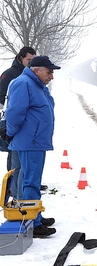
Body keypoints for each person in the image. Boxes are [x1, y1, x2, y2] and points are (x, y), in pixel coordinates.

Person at [6, 55, 61, 237]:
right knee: (30, 182)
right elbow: (14, 113)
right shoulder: (23, 83)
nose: (51, 76)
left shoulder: (37, 85)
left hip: (35, 141)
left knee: (32, 181)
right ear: (36, 70)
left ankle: (35, 214)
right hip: (30, 141)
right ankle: (32, 223)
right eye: (49, 72)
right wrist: (10, 133)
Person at [0, 47, 37, 200]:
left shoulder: (31, 74)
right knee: (13, 156)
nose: (31, 63)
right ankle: (13, 190)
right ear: (21, 58)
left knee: (23, 160)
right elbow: (1, 97)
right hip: (11, 122)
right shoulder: (9, 74)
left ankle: (23, 186)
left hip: (25, 125)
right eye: (29, 60)